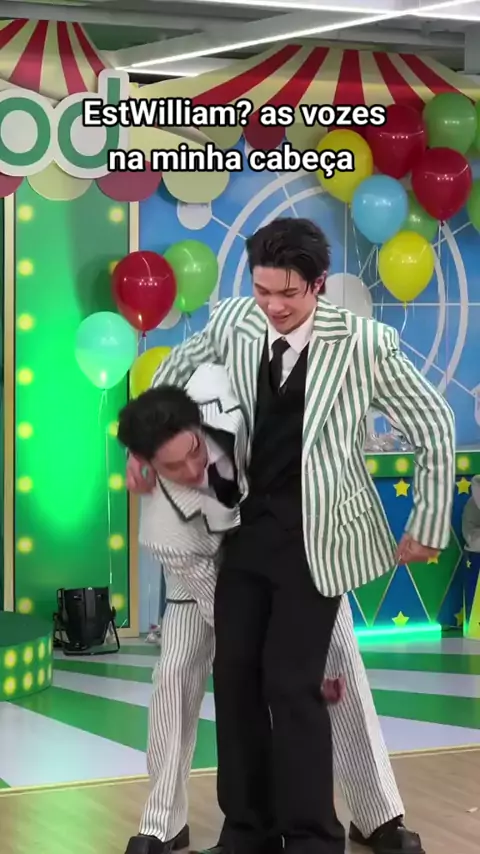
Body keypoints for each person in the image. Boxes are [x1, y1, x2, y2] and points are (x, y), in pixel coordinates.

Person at [128, 218, 455, 854]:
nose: (273, 306)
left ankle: (312, 837)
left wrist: (427, 522)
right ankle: (247, 832)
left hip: (319, 540)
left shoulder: (362, 344)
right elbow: (175, 375)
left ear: (318, 284)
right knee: (236, 677)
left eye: (288, 293)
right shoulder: (234, 321)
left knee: (292, 683)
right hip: (245, 535)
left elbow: (435, 424)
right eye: (262, 290)